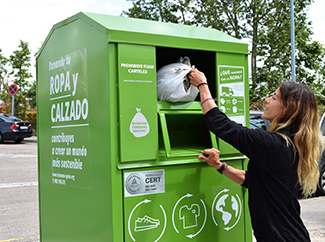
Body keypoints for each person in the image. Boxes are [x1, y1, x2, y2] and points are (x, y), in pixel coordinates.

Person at [187, 69, 324, 242]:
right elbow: (255, 182)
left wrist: (202, 85)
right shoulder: (292, 144)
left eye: (274, 97)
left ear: (287, 108)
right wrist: (220, 166)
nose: (266, 100)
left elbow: (220, 124)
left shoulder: (273, 144)